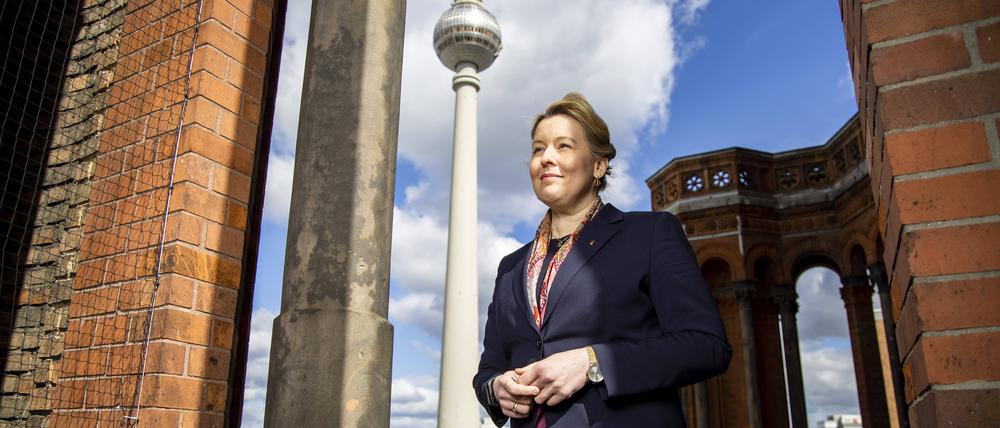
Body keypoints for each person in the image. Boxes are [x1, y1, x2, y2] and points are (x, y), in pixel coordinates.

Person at [473, 93, 732, 427]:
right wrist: (496, 389)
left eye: (563, 146)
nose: (546, 157)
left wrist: (592, 363)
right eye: (538, 149)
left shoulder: (650, 235)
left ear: (598, 165)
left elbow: (706, 346)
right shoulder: (510, 267)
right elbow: (489, 368)